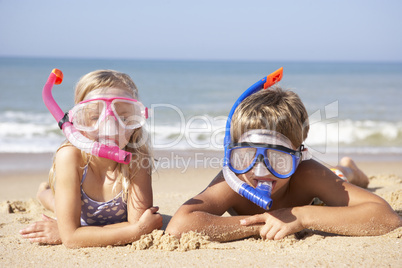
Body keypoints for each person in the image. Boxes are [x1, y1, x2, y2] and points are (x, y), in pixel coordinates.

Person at [166, 84, 401, 242]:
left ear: (299, 157)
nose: (260, 170)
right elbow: (178, 227)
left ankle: (351, 168)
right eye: (246, 156)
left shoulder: (306, 173)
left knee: (340, 175)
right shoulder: (235, 178)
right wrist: (261, 225)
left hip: (318, 197)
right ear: (233, 154)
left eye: (278, 159)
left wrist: (301, 216)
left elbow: (386, 218)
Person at [20, 70, 163, 248]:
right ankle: (43, 191)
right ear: (78, 122)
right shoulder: (71, 158)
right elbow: (72, 239)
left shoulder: (136, 161)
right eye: (95, 117)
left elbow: (73, 236)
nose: (109, 126)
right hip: (77, 210)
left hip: (82, 219)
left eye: (124, 117)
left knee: (61, 206)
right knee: (54, 201)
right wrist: (135, 231)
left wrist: (75, 232)